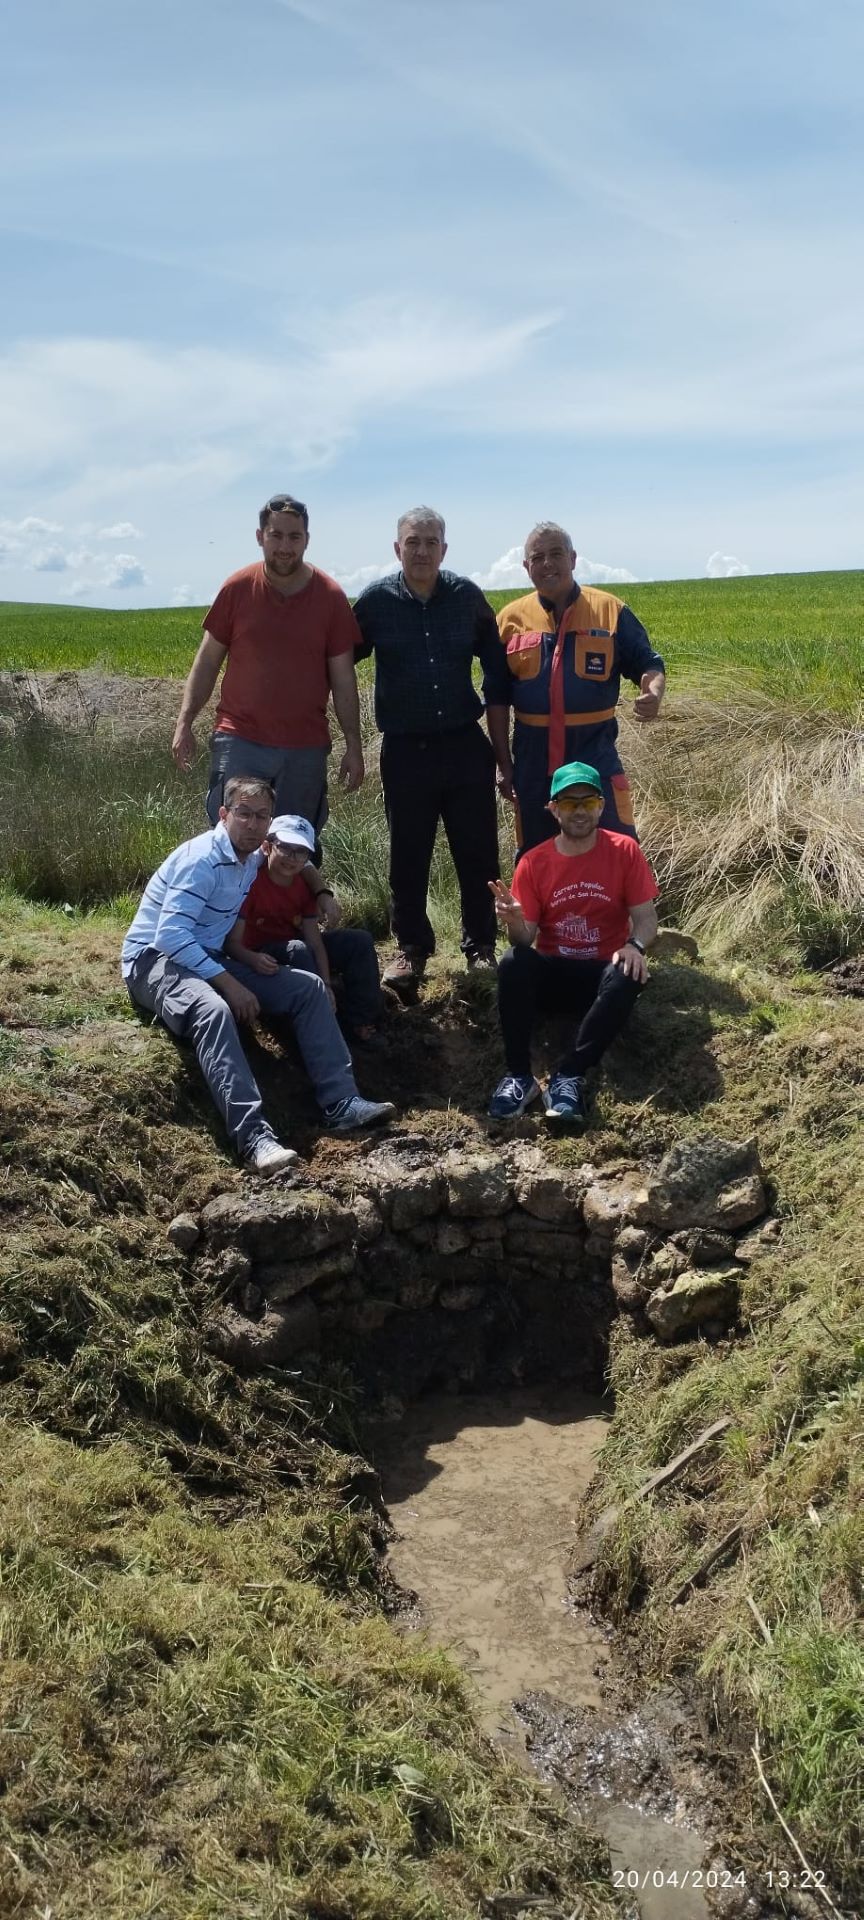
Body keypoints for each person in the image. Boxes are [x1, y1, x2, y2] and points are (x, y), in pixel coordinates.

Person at [121, 776, 395, 1175]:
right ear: (224, 813)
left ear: (270, 825)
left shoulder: (249, 859)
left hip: (209, 955)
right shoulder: (201, 859)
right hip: (154, 960)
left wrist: (315, 896)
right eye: (244, 814)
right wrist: (229, 982)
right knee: (214, 1011)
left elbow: (295, 869)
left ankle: (342, 1103)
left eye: (261, 816)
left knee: (309, 988)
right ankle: (254, 1139)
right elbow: (170, 936)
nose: (252, 823)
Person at [353, 506, 506, 989]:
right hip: (405, 750)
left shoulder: (466, 597)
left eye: (431, 542)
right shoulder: (375, 602)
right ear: (397, 548)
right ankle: (411, 949)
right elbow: (336, 658)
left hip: (465, 745)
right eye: (412, 542)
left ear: (445, 548)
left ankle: (481, 946)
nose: (421, 551)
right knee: (408, 853)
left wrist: (504, 748)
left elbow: (499, 665)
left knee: (478, 852)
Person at [171, 494, 365, 841]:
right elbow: (207, 662)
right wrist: (184, 721)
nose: (285, 547)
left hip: (304, 746)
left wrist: (354, 744)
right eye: (276, 536)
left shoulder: (330, 597)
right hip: (240, 739)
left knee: (293, 846)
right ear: (260, 536)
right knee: (230, 843)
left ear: (307, 539)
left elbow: (343, 678)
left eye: (294, 537)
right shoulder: (237, 588)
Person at [487, 760, 658, 1128]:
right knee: (514, 960)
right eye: (568, 803)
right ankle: (519, 1076)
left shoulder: (624, 850)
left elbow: (646, 920)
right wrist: (515, 921)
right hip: (555, 974)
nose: (579, 811)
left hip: (602, 976)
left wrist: (635, 945)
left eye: (587, 802)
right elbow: (525, 939)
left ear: (601, 806)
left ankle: (569, 1076)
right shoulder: (534, 862)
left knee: (628, 971)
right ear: (553, 809)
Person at [485, 522, 666, 855]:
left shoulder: (611, 612)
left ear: (573, 558)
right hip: (533, 763)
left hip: (595, 756)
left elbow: (648, 663)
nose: (548, 564)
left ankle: (626, 909)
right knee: (536, 855)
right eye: (537, 558)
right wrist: (503, 763)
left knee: (617, 849)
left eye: (556, 554)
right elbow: (495, 698)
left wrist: (653, 691)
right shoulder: (508, 620)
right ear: (526, 567)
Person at [225, 812, 384, 1045]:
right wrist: (251, 959)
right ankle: (316, 1031)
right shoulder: (251, 882)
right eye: (286, 848)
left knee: (358, 940)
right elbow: (232, 944)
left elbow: (315, 941)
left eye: (301, 852)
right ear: (268, 847)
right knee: (298, 949)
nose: (292, 858)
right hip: (260, 955)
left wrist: (326, 983)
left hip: (297, 947)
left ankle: (360, 1022)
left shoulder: (304, 885)